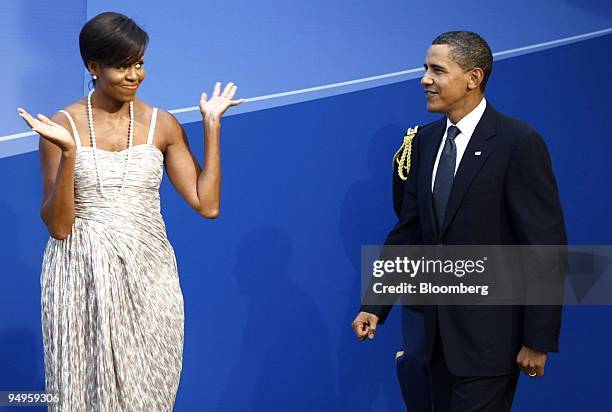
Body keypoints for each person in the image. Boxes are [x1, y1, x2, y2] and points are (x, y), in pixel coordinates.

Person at [17, 12, 243, 410]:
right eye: (122, 65)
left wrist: (212, 127)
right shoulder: (60, 125)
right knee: (81, 393)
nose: (134, 75)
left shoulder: (163, 125)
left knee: (151, 392)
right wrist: (70, 153)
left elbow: (207, 205)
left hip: (150, 274)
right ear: (93, 66)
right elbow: (58, 225)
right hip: (80, 276)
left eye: (139, 63)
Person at [352, 31, 566, 411]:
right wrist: (375, 304)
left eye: (437, 70)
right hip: (434, 341)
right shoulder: (423, 142)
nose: (425, 79)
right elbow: (411, 230)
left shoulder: (517, 142)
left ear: (473, 77)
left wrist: (538, 338)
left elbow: (544, 247)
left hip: (490, 342)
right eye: (425, 69)